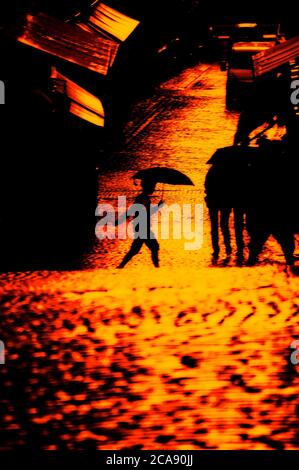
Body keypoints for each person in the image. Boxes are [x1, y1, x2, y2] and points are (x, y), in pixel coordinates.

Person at [205, 159, 247, 262]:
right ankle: (228, 247)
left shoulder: (211, 172)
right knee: (224, 225)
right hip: (225, 202)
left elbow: (207, 186)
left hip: (213, 202)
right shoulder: (228, 172)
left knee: (214, 226)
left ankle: (216, 249)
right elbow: (231, 187)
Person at [117, 180, 164, 268]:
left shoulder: (144, 198)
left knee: (135, 249)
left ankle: (120, 266)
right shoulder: (142, 198)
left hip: (142, 227)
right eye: (153, 187)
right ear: (148, 187)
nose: (154, 189)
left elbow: (146, 212)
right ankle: (157, 268)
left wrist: (158, 206)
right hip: (143, 228)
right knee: (154, 247)